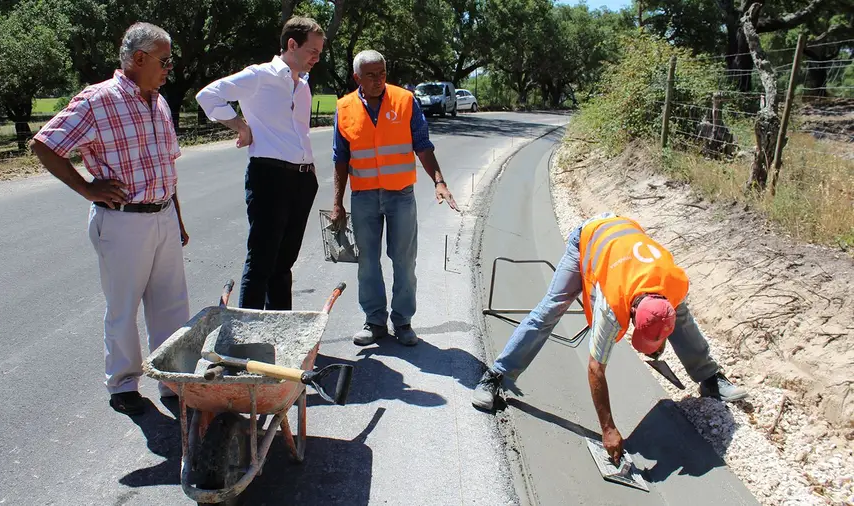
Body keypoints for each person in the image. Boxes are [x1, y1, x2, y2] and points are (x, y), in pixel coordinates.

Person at [471, 213, 748, 461]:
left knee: (683, 316)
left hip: (624, 234)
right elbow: (595, 369)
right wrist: (608, 428)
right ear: (629, 317)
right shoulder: (611, 306)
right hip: (589, 237)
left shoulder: (672, 286)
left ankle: (710, 378)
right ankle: (495, 376)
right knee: (551, 309)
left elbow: (667, 317)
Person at [30, 23, 190, 416]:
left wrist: (177, 217)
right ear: (139, 59)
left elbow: (166, 166)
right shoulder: (97, 100)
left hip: (162, 215)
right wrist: (86, 188)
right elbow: (45, 144)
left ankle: (173, 379)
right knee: (123, 306)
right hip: (122, 221)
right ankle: (123, 384)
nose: (169, 68)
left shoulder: (160, 100)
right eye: (165, 60)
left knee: (171, 305)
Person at [329, 50, 459, 347]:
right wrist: (338, 203)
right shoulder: (344, 107)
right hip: (363, 197)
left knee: (403, 260)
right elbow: (340, 159)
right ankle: (374, 321)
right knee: (368, 262)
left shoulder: (405, 101)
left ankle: (402, 321)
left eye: (382, 74)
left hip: (400, 195)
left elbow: (423, 146)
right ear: (356, 78)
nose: (378, 80)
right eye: (371, 75)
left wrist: (439, 181)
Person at [195, 16, 324, 310]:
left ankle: (280, 333)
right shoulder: (259, 76)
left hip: (302, 180)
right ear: (292, 44)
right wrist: (242, 127)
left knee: (284, 264)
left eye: (319, 52)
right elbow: (208, 95)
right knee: (261, 262)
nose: (317, 58)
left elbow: (299, 132)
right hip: (269, 176)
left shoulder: (302, 85)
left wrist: (311, 171)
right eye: (312, 51)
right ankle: (246, 338)